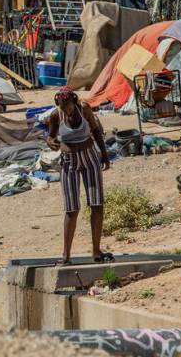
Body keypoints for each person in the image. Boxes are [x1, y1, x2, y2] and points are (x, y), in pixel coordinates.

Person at [46, 86, 113, 264]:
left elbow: (96, 130)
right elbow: (51, 137)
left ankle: (96, 251)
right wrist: (52, 143)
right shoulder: (55, 115)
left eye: (67, 105)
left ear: (73, 101)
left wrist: (105, 156)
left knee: (97, 204)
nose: (65, 109)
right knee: (71, 209)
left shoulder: (84, 109)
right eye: (62, 105)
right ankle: (66, 255)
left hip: (90, 158)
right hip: (69, 162)